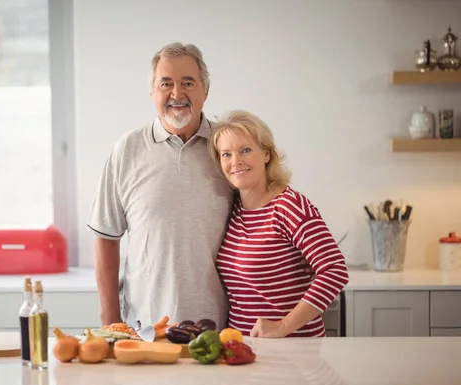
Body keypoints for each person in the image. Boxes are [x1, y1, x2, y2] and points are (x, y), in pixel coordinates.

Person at [86, 43, 234, 329]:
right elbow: (106, 237)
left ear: (205, 90)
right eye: (166, 83)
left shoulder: (229, 147)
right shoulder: (127, 149)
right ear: (152, 91)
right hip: (144, 328)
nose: (176, 94)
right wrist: (110, 321)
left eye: (187, 83)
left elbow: (261, 217)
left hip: (222, 328)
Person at [208, 110, 349, 338]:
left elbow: (335, 271)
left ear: (266, 154)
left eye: (245, 150)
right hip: (244, 352)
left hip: (293, 352)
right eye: (226, 154)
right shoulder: (233, 209)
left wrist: (283, 326)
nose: (236, 162)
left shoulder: (289, 206)